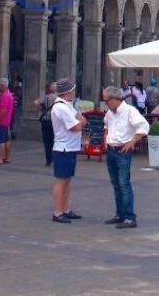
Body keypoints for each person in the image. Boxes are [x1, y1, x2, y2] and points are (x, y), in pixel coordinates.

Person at [101, 86, 149, 229]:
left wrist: (132, 141)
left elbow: (144, 126)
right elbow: (106, 126)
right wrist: (105, 140)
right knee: (115, 183)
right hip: (111, 150)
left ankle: (129, 217)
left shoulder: (130, 111)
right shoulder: (110, 113)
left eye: (107, 100)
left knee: (124, 184)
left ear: (115, 99)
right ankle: (120, 213)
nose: (106, 103)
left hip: (122, 151)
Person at [50, 78, 86, 223]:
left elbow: (80, 118)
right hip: (63, 147)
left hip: (70, 147)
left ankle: (65, 208)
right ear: (68, 91)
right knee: (61, 180)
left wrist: (81, 121)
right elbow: (76, 126)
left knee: (67, 180)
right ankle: (57, 212)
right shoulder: (61, 107)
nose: (73, 91)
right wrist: (81, 121)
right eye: (72, 89)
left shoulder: (68, 105)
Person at [35, 82, 57, 166]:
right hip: (55, 121)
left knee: (47, 141)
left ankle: (48, 160)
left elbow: (36, 102)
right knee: (55, 140)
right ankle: (55, 159)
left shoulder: (46, 97)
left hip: (46, 121)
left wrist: (40, 109)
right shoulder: (59, 98)